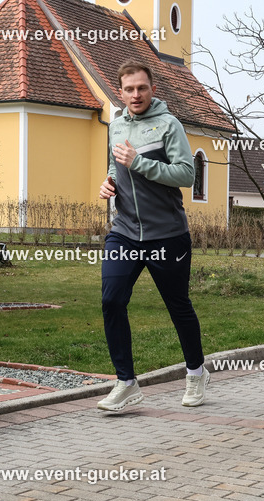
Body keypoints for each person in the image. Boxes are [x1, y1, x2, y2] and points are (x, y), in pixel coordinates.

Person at [96, 61, 209, 412]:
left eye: (141, 88)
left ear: (152, 89)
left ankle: (196, 372)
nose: (135, 95)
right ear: (121, 92)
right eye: (129, 89)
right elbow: (116, 166)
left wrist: (139, 163)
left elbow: (186, 174)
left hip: (167, 235)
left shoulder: (168, 125)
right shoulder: (115, 127)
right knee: (112, 300)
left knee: (178, 306)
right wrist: (110, 182)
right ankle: (126, 382)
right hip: (125, 232)